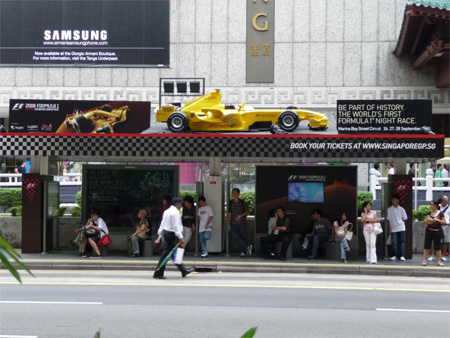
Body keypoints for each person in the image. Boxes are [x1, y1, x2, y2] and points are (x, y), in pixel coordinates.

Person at [153, 197, 193, 279]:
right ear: (177, 204)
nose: (181, 206)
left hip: (167, 234)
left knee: (175, 253)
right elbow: (176, 226)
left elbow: (162, 224)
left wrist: (160, 235)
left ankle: (183, 270)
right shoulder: (175, 213)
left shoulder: (167, 211)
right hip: (172, 234)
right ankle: (158, 273)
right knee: (166, 254)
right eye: (180, 204)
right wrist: (181, 237)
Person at [228, 188, 252, 258]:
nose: (234, 194)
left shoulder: (242, 202)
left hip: (242, 223)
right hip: (233, 223)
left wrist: (240, 216)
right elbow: (229, 214)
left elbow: (248, 211)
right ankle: (247, 247)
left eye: (235, 193)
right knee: (235, 237)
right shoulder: (230, 202)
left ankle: (243, 252)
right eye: (233, 193)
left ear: (238, 194)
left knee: (243, 237)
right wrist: (229, 224)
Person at [422, 200, 446, 267]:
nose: (430, 205)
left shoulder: (440, 213)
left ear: (435, 205)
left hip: (437, 231)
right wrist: (429, 220)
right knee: (427, 246)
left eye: (431, 204)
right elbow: (424, 222)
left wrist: (437, 220)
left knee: (437, 246)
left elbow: (444, 222)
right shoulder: (429, 213)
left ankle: (439, 261)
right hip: (429, 230)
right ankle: (424, 260)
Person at [386, 194, 408, 261]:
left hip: (401, 227)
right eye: (392, 200)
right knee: (394, 242)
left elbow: (405, 218)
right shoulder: (389, 209)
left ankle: (402, 255)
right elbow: (388, 219)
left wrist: (400, 222)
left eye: (395, 199)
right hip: (393, 228)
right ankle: (395, 255)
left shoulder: (401, 209)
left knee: (402, 241)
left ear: (398, 200)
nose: (393, 201)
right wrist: (389, 228)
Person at [439, 196, 450, 261]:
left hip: (447, 225)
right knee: (437, 241)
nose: (446, 203)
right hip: (439, 225)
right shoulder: (438, 207)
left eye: (447, 201)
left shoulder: (449, 208)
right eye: (445, 202)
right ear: (442, 201)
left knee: (446, 241)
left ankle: (443, 255)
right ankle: (437, 254)